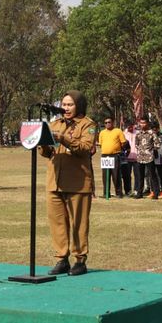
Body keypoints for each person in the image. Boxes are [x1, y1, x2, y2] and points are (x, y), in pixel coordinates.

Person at [39, 90, 97, 276]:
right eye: (64, 104)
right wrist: (44, 143)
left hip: (78, 182)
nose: (66, 108)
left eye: (70, 104)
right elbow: (47, 153)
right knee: (57, 222)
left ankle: (80, 260)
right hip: (55, 181)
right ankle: (61, 259)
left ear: (78, 105)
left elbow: (85, 148)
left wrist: (62, 138)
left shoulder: (88, 124)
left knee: (78, 223)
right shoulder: (54, 124)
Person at [97, 117, 126, 198]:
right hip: (105, 156)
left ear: (112, 122)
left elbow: (123, 142)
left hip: (115, 155)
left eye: (109, 122)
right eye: (105, 123)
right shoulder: (102, 132)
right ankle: (106, 193)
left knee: (116, 175)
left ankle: (119, 193)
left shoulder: (118, 131)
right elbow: (100, 144)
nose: (107, 124)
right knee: (105, 176)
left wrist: (118, 150)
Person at [135, 118, 161, 199]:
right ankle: (139, 193)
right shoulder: (138, 134)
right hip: (140, 158)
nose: (142, 124)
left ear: (147, 123)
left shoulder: (152, 133)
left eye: (144, 123)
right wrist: (141, 150)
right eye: (141, 123)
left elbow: (157, 144)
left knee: (152, 175)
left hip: (149, 157)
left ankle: (156, 193)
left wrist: (151, 150)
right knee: (140, 176)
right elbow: (136, 144)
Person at [123, 122, 140, 197]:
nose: (130, 128)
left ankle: (137, 190)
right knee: (127, 175)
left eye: (131, 127)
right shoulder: (123, 133)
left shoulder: (138, 133)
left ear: (133, 126)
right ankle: (128, 190)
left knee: (137, 175)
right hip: (127, 158)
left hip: (137, 157)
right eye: (128, 127)